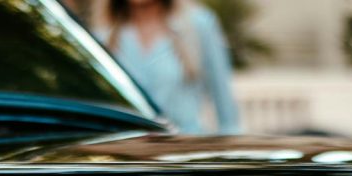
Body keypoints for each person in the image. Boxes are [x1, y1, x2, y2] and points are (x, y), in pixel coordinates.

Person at [93, 0, 241, 134]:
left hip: (185, 152)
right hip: (127, 155)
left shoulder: (199, 25)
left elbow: (227, 113)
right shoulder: (102, 36)